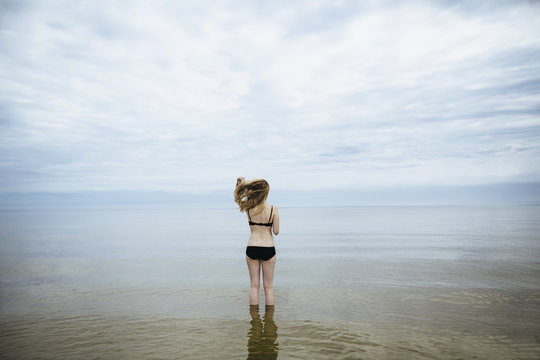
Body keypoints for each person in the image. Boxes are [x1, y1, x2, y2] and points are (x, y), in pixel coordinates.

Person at [234, 177, 280, 307]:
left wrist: (239, 185)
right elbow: (276, 231)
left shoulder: (248, 208)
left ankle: (254, 320)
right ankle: (269, 320)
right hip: (268, 248)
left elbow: (238, 198)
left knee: (254, 286)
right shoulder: (274, 209)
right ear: (266, 192)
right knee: (268, 287)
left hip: (252, 247)